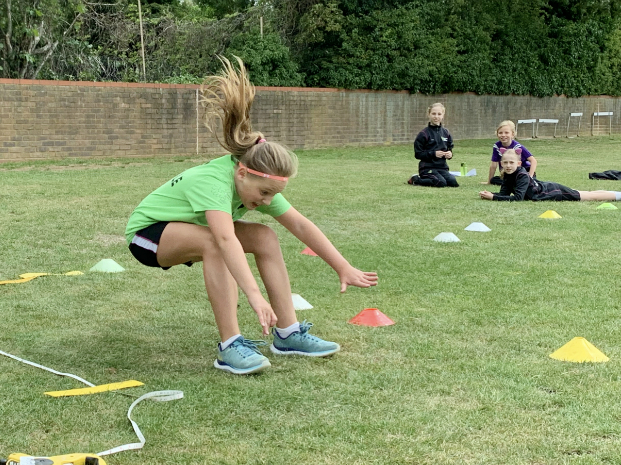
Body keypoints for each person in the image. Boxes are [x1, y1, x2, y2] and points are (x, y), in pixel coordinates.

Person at [124, 56, 378, 375]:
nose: (267, 201)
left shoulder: (256, 184)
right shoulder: (214, 182)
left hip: (190, 229)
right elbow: (225, 238)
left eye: (273, 195)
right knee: (215, 242)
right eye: (264, 194)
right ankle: (230, 346)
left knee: (265, 237)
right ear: (242, 173)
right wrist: (255, 297)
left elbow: (299, 223)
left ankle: (287, 334)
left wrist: (342, 266)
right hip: (148, 236)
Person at [479, 149, 621, 201]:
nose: (508, 165)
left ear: (519, 164)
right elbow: (504, 193)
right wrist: (490, 194)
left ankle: (618, 195)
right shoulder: (507, 175)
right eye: (505, 163)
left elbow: (517, 198)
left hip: (551, 191)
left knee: (588, 196)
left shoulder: (521, 175)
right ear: (501, 164)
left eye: (511, 162)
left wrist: (494, 198)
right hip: (546, 188)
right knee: (585, 193)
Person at [408, 103, 457, 187]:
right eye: (433, 114)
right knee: (441, 183)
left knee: (453, 183)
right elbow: (418, 154)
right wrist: (434, 154)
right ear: (429, 114)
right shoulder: (423, 134)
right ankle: (415, 180)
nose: (436, 116)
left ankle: (436, 178)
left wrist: (450, 154)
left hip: (442, 168)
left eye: (439, 114)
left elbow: (450, 149)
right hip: (427, 168)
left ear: (443, 115)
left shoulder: (446, 133)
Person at [487, 120, 537, 185]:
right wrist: (489, 181)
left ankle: (525, 181)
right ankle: (515, 182)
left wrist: (530, 177)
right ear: (497, 134)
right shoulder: (497, 146)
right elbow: (493, 165)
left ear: (512, 134)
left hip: (523, 172)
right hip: (509, 173)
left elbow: (533, 161)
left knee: (516, 180)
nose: (503, 135)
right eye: (500, 133)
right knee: (494, 180)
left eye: (506, 133)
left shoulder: (518, 146)